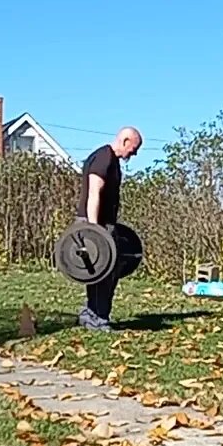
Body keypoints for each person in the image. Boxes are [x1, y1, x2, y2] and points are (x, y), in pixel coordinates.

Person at [75, 126, 142, 330]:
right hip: (95, 225)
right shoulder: (104, 157)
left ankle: (93, 314)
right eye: (134, 148)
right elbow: (94, 192)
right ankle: (95, 319)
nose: (134, 153)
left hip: (105, 225)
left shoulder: (111, 160)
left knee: (106, 273)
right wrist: (95, 232)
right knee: (101, 273)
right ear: (125, 141)